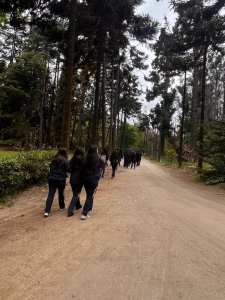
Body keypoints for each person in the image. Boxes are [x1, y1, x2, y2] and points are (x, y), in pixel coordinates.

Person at [44, 148, 70, 217]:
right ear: (65, 153)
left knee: (51, 194)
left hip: (52, 179)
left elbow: (50, 169)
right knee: (61, 193)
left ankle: (47, 211)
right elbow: (69, 170)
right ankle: (62, 206)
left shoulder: (53, 160)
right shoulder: (65, 161)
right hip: (61, 180)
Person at [80, 145, 103, 220]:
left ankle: (89, 209)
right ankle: (84, 213)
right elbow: (102, 166)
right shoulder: (98, 159)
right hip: (94, 180)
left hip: (85, 180)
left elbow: (82, 169)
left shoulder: (85, 159)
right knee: (90, 195)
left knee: (89, 194)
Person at [67, 147, 85, 217]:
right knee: (76, 194)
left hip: (72, 179)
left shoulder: (72, 159)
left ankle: (78, 205)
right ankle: (70, 210)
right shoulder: (83, 160)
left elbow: (69, 169)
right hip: (79, 180)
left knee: (75, 193)